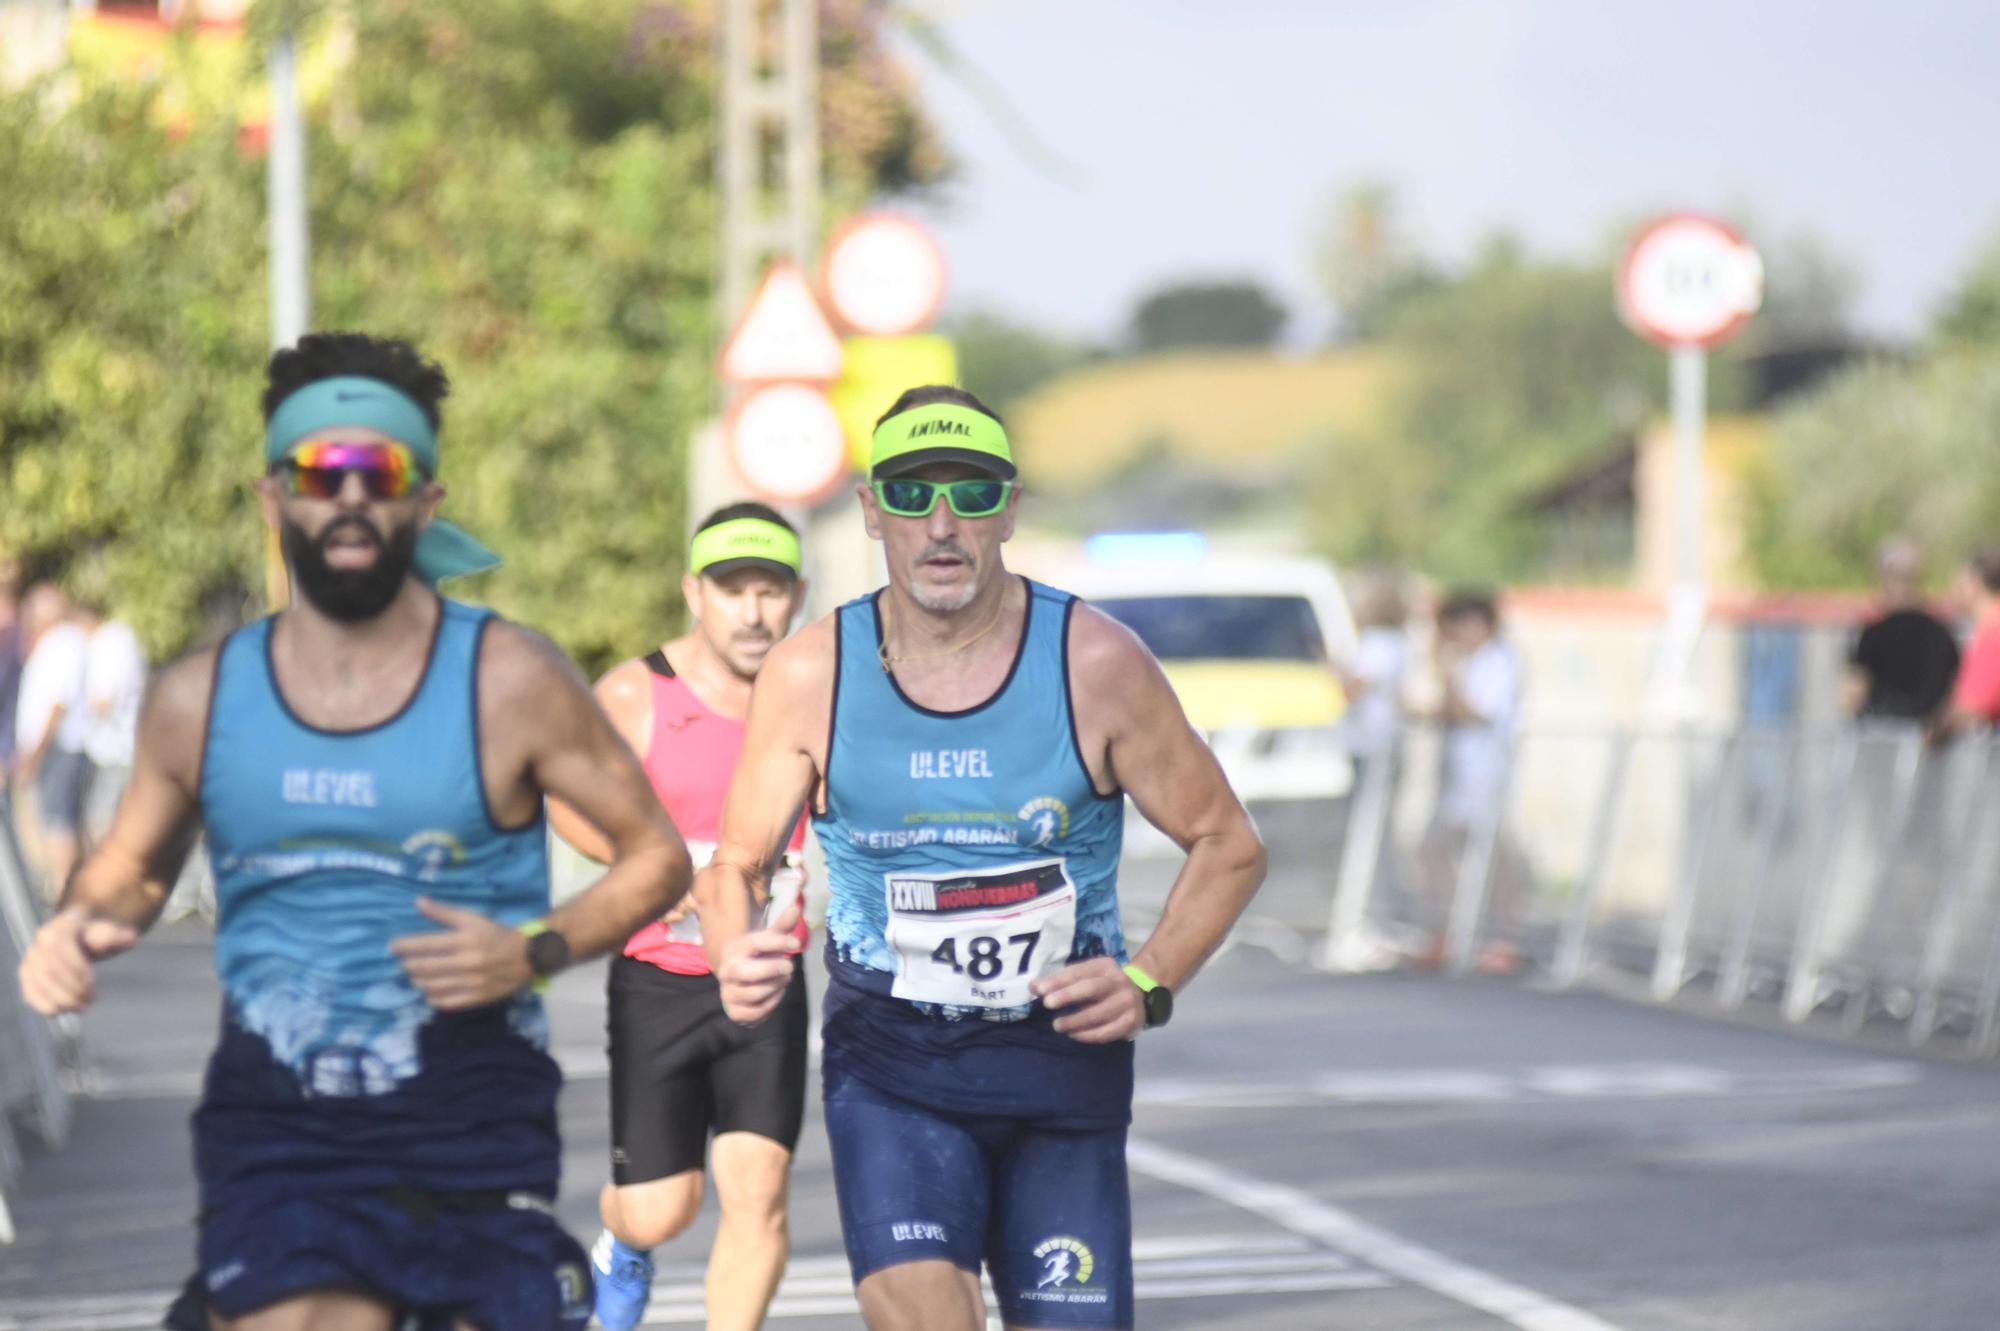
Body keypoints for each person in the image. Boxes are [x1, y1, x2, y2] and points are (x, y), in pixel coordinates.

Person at [15, 332, 692, 1331]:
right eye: (314, 472)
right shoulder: (199, 698)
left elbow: (657, 854)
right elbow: (125, 868)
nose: (346, 496)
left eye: (378, 471)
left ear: (427, 498)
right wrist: (73, 927)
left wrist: (532, 948)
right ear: (272, 496)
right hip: (283, 1132)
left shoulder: (510, 681)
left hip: (469, 1129)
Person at [696, 386, 1267, 1331]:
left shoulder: (1094, 661)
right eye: (914, 496)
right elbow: (736, 863)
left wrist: (1151, 981)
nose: (943, 524)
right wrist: (732, 948)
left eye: (972, 493)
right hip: (893, 1064)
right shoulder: (813, 671)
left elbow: (1228, 842)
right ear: (875, 511)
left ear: (1008, 509)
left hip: (1059, 1065)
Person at [547, 502, 811, 1331]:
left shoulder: (810, 692)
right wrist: (658, 871)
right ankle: (620, 1251)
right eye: (734, 590)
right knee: (661, 1208)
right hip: (661, 976)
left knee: (757, 1192)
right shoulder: (636, 693)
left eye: (771, 590)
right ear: (695, 593)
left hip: (766, 975)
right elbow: (565, 797)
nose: (754, 611)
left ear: (796, 596)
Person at [1417, 587, 1525, 972]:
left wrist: (1448, 677)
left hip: (1486, 775)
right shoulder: (1475, 662)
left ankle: (1502, 940)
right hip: (1460, 777)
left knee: (1496, 858)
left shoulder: (1500, 663)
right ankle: (1450, 930)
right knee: (1436, 850)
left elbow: (1477, 712)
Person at [13, 582, 92, 897]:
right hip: (54, 746)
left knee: (59, 818)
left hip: (61, 746)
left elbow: (58, 703)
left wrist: (36, 751)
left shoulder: (65, 643)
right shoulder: (52, 643)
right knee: (56, 816)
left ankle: (65, 889)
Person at [1844, 539, 1959, 725]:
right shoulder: (1941, 633)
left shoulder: (1874, 633)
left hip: (1883, 738)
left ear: (1883, 576)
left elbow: (1854, 694)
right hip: (1931, 741)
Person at [76, 595, 149, 843]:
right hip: (127, 744)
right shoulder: (121, 637)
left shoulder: (107, 643)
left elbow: (104, 700)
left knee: (101, 823)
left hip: (114, 751)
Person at [1935, 548, 2000, 739]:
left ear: (1975, 582)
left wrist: (1937, 729)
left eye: (1959, 580)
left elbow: (1972, 706)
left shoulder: (1993, 630)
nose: (1953, 587)